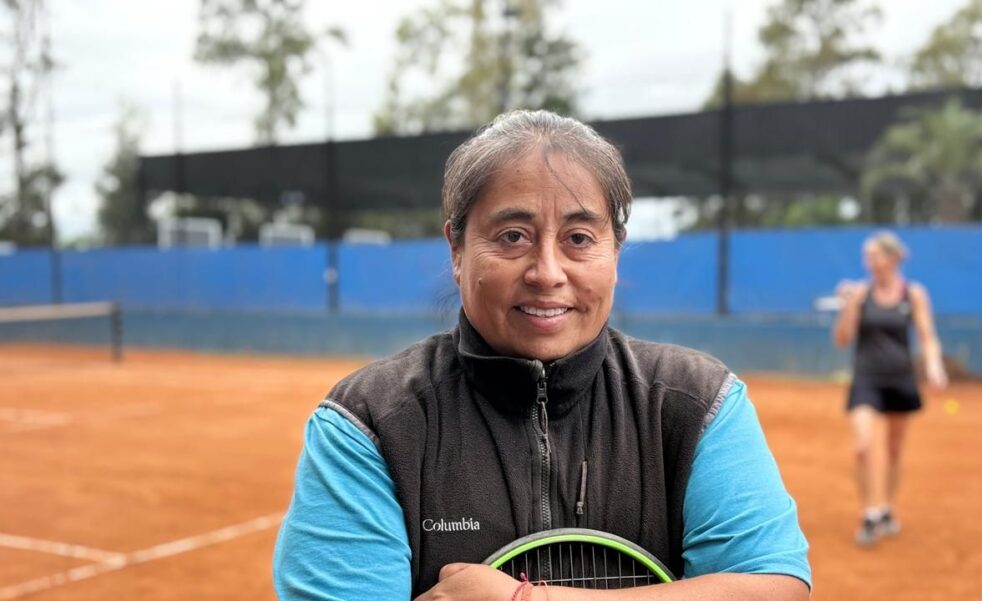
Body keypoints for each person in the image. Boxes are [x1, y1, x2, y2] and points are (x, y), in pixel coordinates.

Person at [273, 110, 811, 600]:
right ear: (456, 250)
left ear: (616, 252)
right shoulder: (367, 423)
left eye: (579, 237)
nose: (547, 272)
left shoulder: (698, 402)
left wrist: (527, 599)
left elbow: (774, 588)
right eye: (512, 236)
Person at [833, 231, 947, 547]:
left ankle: (886, 509)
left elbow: (927, 335)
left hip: (901, 379)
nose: (868, 263)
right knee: (863, 446)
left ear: (893, 258)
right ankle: (869, 512)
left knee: (895, 450)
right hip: (866, 379)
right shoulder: (860, 293)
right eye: (866, 257)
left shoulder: (913, 294)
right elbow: (842, 339)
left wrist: (935, 366)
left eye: (874, 256)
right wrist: (848, 306)